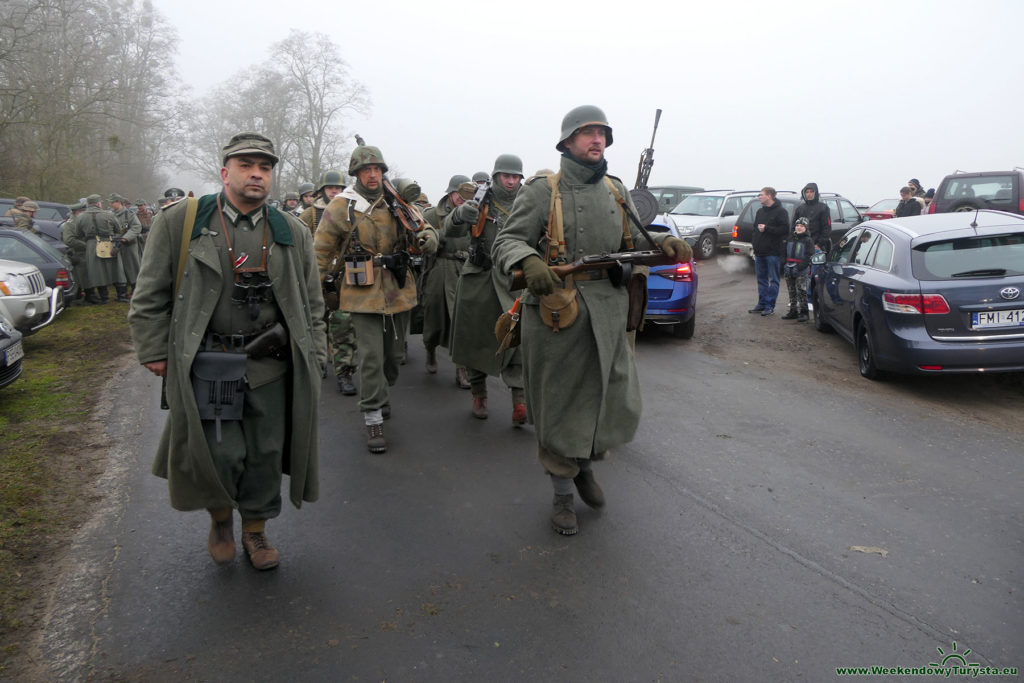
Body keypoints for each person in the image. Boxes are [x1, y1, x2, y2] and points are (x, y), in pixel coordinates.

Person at [127, 132, 327, 571]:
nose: (257, 174)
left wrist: (317, 353)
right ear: (225, 172)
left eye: (265, 167)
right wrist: (153, 348)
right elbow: (149, 294)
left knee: (266, 453)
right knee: (220, 452)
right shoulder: (182, 222)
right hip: (210, 364)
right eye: (246, 165)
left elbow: (312, 303)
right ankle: (220, 519)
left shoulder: (290, 230)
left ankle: (255, 531)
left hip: (271, 365)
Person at [491, 105, 692, 536]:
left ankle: (583, 466)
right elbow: (507, 241)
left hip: (608, 313)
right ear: (567, 142)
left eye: (601, 132)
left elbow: (636, 238)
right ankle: (563, 492)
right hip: (558, 314)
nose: (595, 139)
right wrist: (530, 260)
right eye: (586, 133)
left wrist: (666, 241)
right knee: (561, 404)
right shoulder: (544, 189)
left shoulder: (616, 190)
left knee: (608, 399)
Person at [314, 145, 426, 453]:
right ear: (356, 174)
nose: (372, 174)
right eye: (366, 170)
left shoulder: (396, 202)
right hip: (361, 291)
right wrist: (314, 289)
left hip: (398, 288)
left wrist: (427, 238)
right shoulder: (342, 205)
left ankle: (381, 392)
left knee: (392, 358)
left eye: (377, 169)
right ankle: (373, 415)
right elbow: (320, 250)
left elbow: (424, 229)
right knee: (372, 357)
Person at [445, 155, 527, 422]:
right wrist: (459, 215)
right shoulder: (481, 199)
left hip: (513, 278)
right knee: (475, 339)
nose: (512, 181)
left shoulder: (528, 202)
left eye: (516, 176)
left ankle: (520, 401)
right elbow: (450, 232)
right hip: (479, 275)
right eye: (507, 176)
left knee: (518, 339)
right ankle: (479, 394)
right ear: (496, 176)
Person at [299, 169, 355, 394]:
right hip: (316, 277)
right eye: (331, 188)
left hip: (342, 279)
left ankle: (344, 372)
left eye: (339, 188)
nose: (335, 191)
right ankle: (318, 363)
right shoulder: (309, 215)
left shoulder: (349, 212)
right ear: (322, 190)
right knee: (316, 324)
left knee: (343, 326)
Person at [419, 175, 474, 383]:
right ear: (450, 193)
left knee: (462, 321)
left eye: (465, 194)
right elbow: (425, 234)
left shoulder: (474, 213)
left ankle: (462, 369)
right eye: (458, 193)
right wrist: (431, 239)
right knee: (433, 316)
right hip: (440, 268)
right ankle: (430, 349)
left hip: (467, 269)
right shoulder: (433, 214)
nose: (461, 198)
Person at [70, 194, 127, 304]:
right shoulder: (108, 214)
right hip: (109, 243)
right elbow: (118, 229)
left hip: (92, 244)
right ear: (98, 203)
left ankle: (104, 297)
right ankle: (122, 295)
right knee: (117, 269)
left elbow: (78, 233)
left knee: (98, 271)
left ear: (88, 204)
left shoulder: (81, 217)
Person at [748, 187, 789, 316]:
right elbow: (755, 229)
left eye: (761, 195)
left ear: (769, 196)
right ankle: (761, 304)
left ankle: (770, 306)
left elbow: (784, 230)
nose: (759, 197)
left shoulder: (781, 212)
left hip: (773, 253)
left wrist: (767, 228)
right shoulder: (760, 211)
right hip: (759, 252)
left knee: (774, 280)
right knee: (761, 280)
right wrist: (755, 244)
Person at [109, 193, 143, 297]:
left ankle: (137, 290)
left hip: (129, 244)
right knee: (119, 270)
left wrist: (125, 237)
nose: (110, 204)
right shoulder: (110, 215)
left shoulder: (129, 214)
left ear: (118, 202)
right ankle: (122, 290)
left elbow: (137, 227)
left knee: (133, 268)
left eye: (112, 202)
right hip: (116, 245)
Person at [781, 218, 814, 322]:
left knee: (801, 290)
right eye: (797, 225)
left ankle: (804, 313)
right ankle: (793, 311)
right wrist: (784, 264)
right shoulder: (790, 238)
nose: (799, 228)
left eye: (802, 226)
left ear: (806, 228)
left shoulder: (808, 240)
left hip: (801, 269)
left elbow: (809, 256)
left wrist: (799, 267)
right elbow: (783, 252)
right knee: (791, 290)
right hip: (789, 267)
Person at [61, 202, 89, 305]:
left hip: (82, 252)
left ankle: (85, 295)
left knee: (84, 275)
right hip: (77, 253)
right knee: (79, 276)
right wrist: (86, 245)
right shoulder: (71, 223)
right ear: (78, 212)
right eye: (83, 211)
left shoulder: (79, 221)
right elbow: (69, 240)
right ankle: (79, 297)